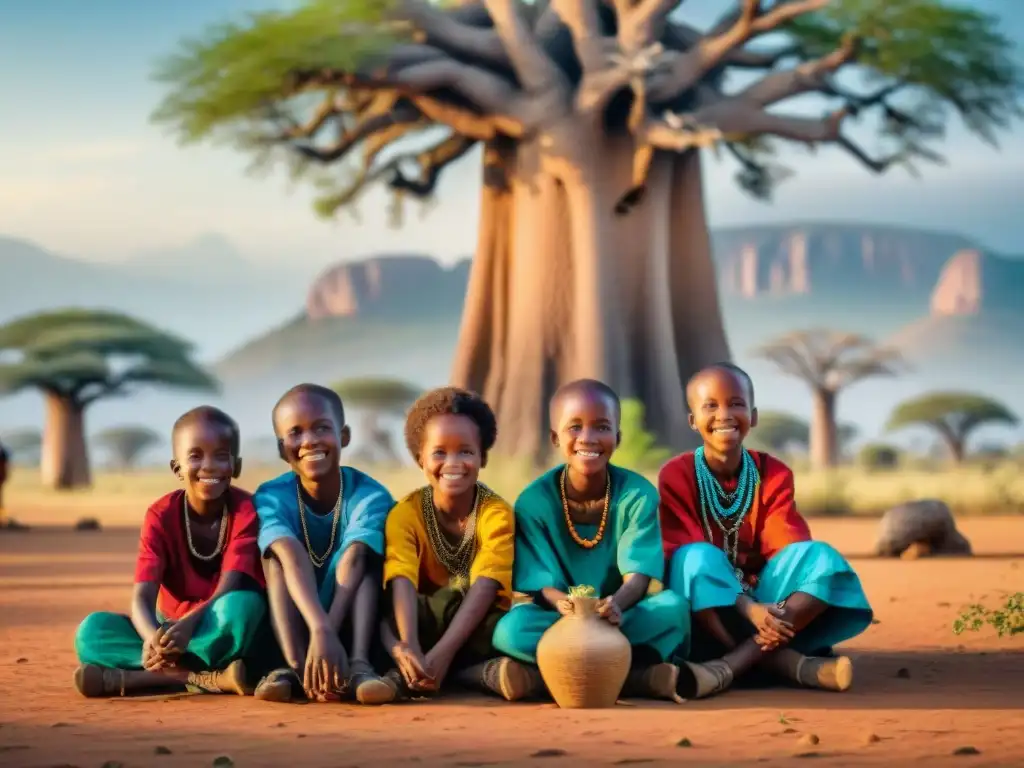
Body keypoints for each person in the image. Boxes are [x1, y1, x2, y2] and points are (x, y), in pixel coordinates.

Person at [660, 363, 874, 700]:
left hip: (771, 606)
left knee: (821, 558)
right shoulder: (677, 474)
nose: (725, 415)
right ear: (692, 420)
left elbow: (788, 547)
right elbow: (683, 556)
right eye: (710, 406)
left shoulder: (772, 472)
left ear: (753, 415)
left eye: (736, 404)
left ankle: (732, 665)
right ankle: (781, 663)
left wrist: (763, 607)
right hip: (708, 613)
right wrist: (748, 609)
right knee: (695, 558)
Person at [492, 379, 691, 702]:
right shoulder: (534, 502)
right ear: (556, 438)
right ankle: (636, 679)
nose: (588, 438)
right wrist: (567, 607)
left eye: (601, 427)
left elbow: (638, 576)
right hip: (559, 619)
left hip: (619, 618)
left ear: (617, 436)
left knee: (674, 610)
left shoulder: (637, 494)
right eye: (575, 428)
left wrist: (616, 604)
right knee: (511, 631)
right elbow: (540, 585)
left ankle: (551, 679)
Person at [73, 406, 266, 697]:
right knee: (92, 632)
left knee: (244, 607)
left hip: (215, 624)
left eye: (221, 456)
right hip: (168, 630)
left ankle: (149, 679)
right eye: (195, 455)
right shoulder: (160, 515)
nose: (209, 465)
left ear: (235, 467)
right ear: (176, 468)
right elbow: (142, 596)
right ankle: (205, 677)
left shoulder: (246, 510)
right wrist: (152, 639)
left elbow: (231, 585)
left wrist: (189, 625)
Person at [381, 387, 533, 701]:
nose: (453, 463)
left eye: (465, 451)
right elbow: (401, 579)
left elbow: (487, 585)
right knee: (377, 606)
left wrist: (444, 653)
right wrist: (408, 644)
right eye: (439, 452)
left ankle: (452, 673)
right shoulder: (405, 514)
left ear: (483, 457)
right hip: (419, 624)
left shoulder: (496, 513)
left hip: (472, 630)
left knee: (506, 621)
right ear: (420, 458)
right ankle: (409, 668)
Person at [252, 383, 395, 705]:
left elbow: (355, 558)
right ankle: (295, 667)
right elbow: (287, 551)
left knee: (367, 554)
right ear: (281, 447)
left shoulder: (370, 494)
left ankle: (359, 664)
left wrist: (327, 633)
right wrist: (318, 630)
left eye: (322, 428)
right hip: (301, 626)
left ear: (344, 436)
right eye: (296, 432)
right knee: (276, 557)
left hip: (349, 621)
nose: (309, 440)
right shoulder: (271, 495)